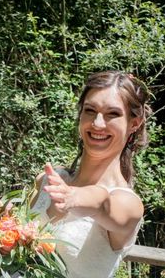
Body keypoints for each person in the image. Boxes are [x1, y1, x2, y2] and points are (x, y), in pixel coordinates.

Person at [30, 71, 150, 278]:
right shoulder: (48, 180)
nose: (98, 123)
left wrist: (74, 197)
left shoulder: (128, 204)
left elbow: (102, 202)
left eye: (113, 114)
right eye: (90, 110)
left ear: (134, 123)